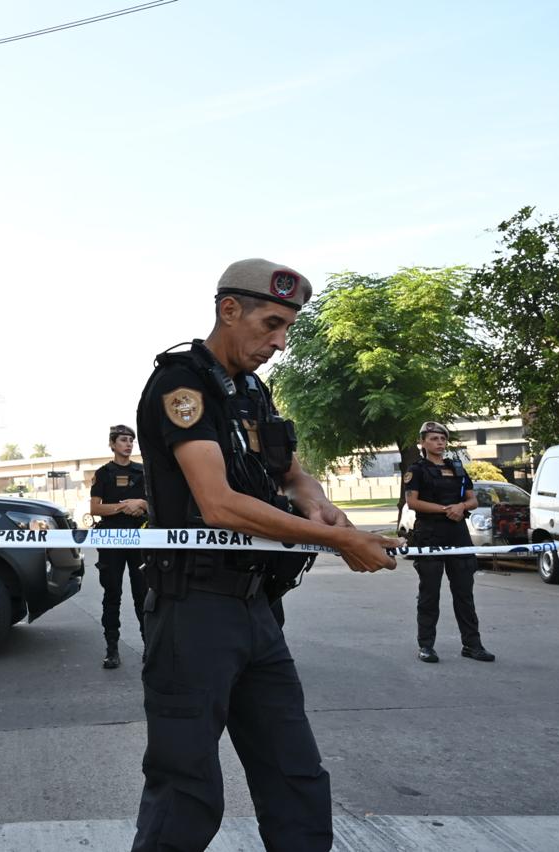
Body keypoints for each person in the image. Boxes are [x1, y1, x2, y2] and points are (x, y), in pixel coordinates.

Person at [132, 258, 399, 852]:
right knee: (186, 791)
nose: (279, 343)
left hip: (258, 609)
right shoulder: (182, 385)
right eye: (271, 325)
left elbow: (292, 475)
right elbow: (218, 503)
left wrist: (324, 508)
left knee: (295, 774)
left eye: (287, 329)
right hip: (194, 610)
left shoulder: (252, 392)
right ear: (230, 310)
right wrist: (337, 541)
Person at [404, 422, 495, 664]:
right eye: (434, 438)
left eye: (443, 439)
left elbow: (473, 500)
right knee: (429, 594)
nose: (440, 443)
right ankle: (426, 646)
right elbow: (412, 502)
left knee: (464, 594)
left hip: (458, 534)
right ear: (423, 442)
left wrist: (461, 506)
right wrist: (447, 509)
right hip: (430, 533)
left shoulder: (457, 468)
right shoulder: (416, 470)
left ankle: (472, 645)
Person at [89, 424, 149, 669]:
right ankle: (112, 649)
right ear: (112, 444)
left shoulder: (142, 471)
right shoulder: (103, 473)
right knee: (112, 594)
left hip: (138, 539)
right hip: (111, 539)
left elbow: (154, 503)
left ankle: (149, 647)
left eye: (131, 440)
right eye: (123, 440)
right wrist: (124, 506)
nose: (128, 444)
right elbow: (95, 508)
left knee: (142, 595)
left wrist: (141, 503)